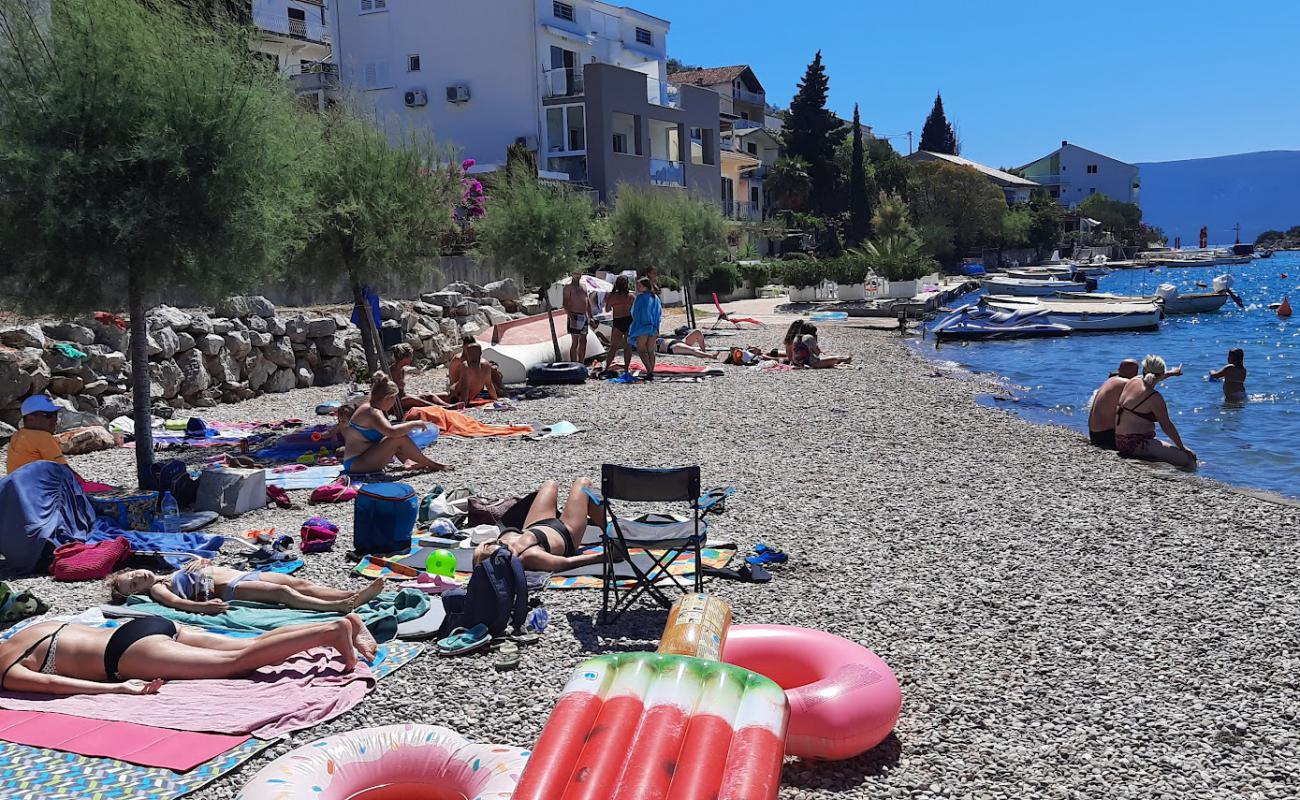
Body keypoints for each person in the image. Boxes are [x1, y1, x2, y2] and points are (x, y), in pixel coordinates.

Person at [0, 613, 376, 696]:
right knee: (250, 645)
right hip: (144, 626)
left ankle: (330, 633)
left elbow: (52, 682)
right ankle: (339, 623)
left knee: (237, 663)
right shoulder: (25, 631)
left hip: (127, 653)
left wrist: (117, 690)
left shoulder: (4, 668)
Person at [108, 560, 386, 615]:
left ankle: (352, 595)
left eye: (132, 574)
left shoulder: (171, 571)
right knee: (283, 594)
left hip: (242, 574)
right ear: (138, 593)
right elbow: (178, 604)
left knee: (300, 583)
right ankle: (337, 606)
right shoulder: (158, 589)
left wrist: (200, 561)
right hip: (230, 588)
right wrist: (204, 607)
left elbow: (206, 565)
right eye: (133, 584)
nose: (138, 576)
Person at [472, 479, 620, 573]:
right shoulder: (530, 556)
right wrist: (605, 557)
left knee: (550, 484)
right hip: (566, 532)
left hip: (535, 525)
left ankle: (612, 530)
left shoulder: (498, 544)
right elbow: (566, 563)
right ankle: (615, 535)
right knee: (583, 484)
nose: (501, 543)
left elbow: (481, 554)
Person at [341, 372, 450, 474]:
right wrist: (415, 423)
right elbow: (392, 432)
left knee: (396, 436)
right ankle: (433, 464)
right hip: (356, 464)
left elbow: (387, 434)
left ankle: (409, 462)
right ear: (387, 398)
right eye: (394, 399)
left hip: (360, 460)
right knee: (397, 437)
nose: (393, 404)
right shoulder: (372, 412)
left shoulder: (369, 407)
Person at [1115, 354, 1196, 468]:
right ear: (1161, 374)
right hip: (1137, 445)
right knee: (1189, 459)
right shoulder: (1154, 397)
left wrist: (1173, 373)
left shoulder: (1134, 381)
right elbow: (1167, 426)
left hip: (1120, 441)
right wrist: (1182, 447)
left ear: (1144, 370)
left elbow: (1154, 377)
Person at [6, 395, 68, 474]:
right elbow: (64, 470)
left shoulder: (16, 435)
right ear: (30, 418)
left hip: (15, 484)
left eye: (55, 414)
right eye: (49, 415)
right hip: (33, 485)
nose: (55, 419)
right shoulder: (43, 437)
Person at [1087, 359, 1140, 450]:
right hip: (1107, 437)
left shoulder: (1110, 380)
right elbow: (1147, 385)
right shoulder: (1126, 383)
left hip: (1094, 434)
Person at [629, 277, 662, 380]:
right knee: (651, 350)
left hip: (642, 327)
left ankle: (649, 371)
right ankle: (651, 370)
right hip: (653, 327)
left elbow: (634, 313)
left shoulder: (640, 298)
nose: (637, 287)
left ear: (645, 287)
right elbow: (659, 313)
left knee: (641, 350)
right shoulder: (655, 298)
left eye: (639, 286)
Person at [603, 275, 636, 373]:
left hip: (617, 321)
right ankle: (626, 369)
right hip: (629, 320)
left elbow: (607, 309)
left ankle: (606, 367)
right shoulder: (631, 296)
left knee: (613, 347)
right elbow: (635, 310)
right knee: (627, 347)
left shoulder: (612, 296)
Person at [563, 271, 594, 363]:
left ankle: (581, 363)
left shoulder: (584, 286)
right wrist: (571, 317)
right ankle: (574, 363)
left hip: (583, 315)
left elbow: (587, 301)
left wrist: (591, 316)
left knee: (584, 340)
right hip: (574, 315)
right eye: (575, 274)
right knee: (575, 341)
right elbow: (565, 303)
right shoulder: (568, 287)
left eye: (579, 274)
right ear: (572, 274)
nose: (577, 276)